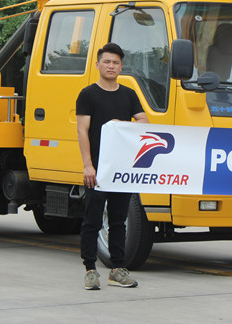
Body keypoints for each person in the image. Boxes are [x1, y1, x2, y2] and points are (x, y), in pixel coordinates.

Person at [76, 42, 148, 290]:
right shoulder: (88, 94)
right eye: (107, 61)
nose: (111, 66)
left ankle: (117, 270)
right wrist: (88, 166)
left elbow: (144, 123)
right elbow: (82, 131)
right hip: (97, 169)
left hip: (121, 170)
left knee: (118, 221)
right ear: (97, 65)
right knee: (92, 221)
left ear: (121, 66)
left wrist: (123, 125)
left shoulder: (128, 94)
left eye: (116, 62)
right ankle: (89, 270)